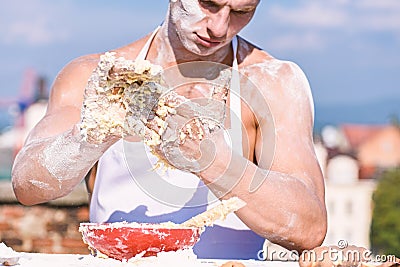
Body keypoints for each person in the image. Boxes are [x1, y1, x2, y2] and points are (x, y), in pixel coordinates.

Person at [11, 0, 327, 260]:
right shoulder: (94, 74)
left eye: (241, 13)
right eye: (208, 4)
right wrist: (94, 132)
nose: (218, 28)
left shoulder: (273, 81)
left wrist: (213, 163)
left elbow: (308, 228)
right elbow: (28, 186)